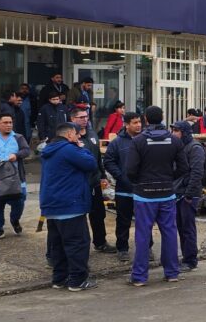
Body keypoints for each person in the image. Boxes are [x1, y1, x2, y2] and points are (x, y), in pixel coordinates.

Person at [126, 106, 189, 286]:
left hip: (144, 195)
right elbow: (184, 168)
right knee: (169, 232)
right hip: (167, 194)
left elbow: (130, 170)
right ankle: (171, 273)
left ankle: (139, 277)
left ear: (145, 118)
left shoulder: (138, 141)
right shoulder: (174, 141)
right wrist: (169, 178)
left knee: (143, 235)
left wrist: (139, 181)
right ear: (162, 118)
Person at [40, 122, 99, 291]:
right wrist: (81, 148)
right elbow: (91, 164)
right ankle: (77, 280)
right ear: (69, 134)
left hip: (52, 205)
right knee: (77, 243)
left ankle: (59, 279)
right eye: (77, 134)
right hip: (70, 204)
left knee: (57, 245)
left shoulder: (49, 149)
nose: (79, 137)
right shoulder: (69, 149)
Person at [69, 108, 115, 253]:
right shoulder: (70, 138)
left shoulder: (92, 133)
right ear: (72, 119)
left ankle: (100, 242)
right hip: (78, 184)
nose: (84, 119)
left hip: (94, 182)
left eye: (86, 117)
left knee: (98, 214)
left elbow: (97, 158)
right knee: (78, 216)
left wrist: (102, 176)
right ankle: (78, 246)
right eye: (81, 117)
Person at [0, 112, 31, 241]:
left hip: (17, 178)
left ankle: (15, 220)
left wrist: (17, 155)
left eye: (10, 123)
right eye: (5, 123)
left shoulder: (18, 137)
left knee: (19, 202)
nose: (9, 125)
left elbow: (26, 150)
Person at [103, 112, 142, 262]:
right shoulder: (117, 143)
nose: (138, 125)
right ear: (126, 124)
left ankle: (146, 247)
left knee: (144, 221)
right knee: (123, 221)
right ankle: (122, 248)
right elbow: (109, 161)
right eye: (134, 122)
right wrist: (120, 176)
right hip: (124, 190)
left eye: (139, 122)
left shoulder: (145, 140)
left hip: (142, 190)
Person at [170, 121, 206, 273]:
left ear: (184, 132)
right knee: (180, 226)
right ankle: (186, 256)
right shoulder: (179, 147)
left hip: (188, 194)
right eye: (172, 130)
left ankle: (190, 259)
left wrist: (190, 194)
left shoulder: (195, 148)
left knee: (188, 228)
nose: (173, 133)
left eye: (176, 131)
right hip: (178, 193)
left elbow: (197, 173)